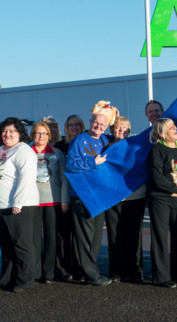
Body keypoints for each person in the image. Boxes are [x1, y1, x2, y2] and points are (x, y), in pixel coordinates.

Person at [66, 101, 118, 287]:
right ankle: (91, 275)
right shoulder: (79, 140)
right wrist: (92, 162)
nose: (99, 126)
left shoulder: (105, 140)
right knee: (85, 238)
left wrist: (113, 114)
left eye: (103, 124)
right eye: (96, 122)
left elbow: (120, 134)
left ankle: (88, 271)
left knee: (96, 238)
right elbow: (70, 165)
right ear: (90, 122)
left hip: (99, 197)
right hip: (83, 196)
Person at [0, 117, 39, 292]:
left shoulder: (23, 150)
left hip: (17, 205)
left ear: (19, 133)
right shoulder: (0, 150)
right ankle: (7, 278)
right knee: (6, 244)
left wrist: (18, 202)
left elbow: (27, 178)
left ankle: (25, 280)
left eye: (12, 131)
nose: (7, 134)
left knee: (21, 243)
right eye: (4, 131)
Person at [147, 118, 177, 288]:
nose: (175, 129)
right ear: (162, 133)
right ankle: (161, 277)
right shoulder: (156, 150)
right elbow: (157, 178)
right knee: (160, 238)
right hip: (160, 199)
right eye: (171, 128)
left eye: (174, 126)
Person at [105, 116, 147, 283]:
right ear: (111, 130)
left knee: (134, 235)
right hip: (112, 198)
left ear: (129, 130)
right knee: (115, 235)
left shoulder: (137, 146)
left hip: (135, 196)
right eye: (117, 128)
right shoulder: (104, 147)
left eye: (124, 128)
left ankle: (135, 271)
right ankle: (117, 271)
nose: (121, 131)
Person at [30, 122, 69, 284]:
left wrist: (65, 199)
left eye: (44, 133)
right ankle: (36, 272)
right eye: (38, 133)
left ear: (49, 136)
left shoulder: (57, 153)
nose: (41, 137)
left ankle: (49, 273)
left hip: (53, 201)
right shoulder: (27, 152)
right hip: (32, 201)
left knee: (51, 238)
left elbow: (63, 177)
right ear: (33, 135)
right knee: (34, 238)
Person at [54, 114, 85, 282]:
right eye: (71, 124)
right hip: (64, 195)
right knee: (63, 233)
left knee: (79, 235)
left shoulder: (86, 143)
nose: (74, 127)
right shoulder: (60, 146)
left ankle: (80, 268)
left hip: (81, 194)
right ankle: (63, 268)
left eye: (77, 124)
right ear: (66, 127)